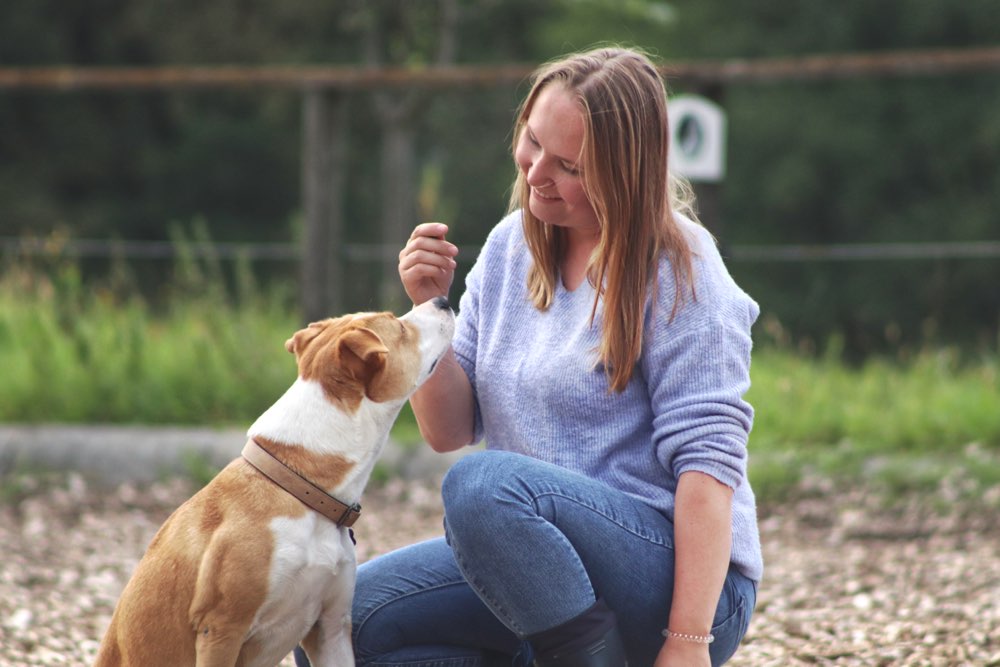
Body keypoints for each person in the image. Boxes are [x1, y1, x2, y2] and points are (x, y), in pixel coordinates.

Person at [299, 45, 761, 667]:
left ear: (625, 172)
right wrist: (429, 314)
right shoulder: (511, 245)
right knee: (339, 634)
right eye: (533, 142)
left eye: (569, 165)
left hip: (675, 582)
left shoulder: (684, 271)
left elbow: (708, 472)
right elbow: (448, 429)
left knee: (483, 487)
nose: (538, 172)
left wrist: (686, 645)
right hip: (531, 568)